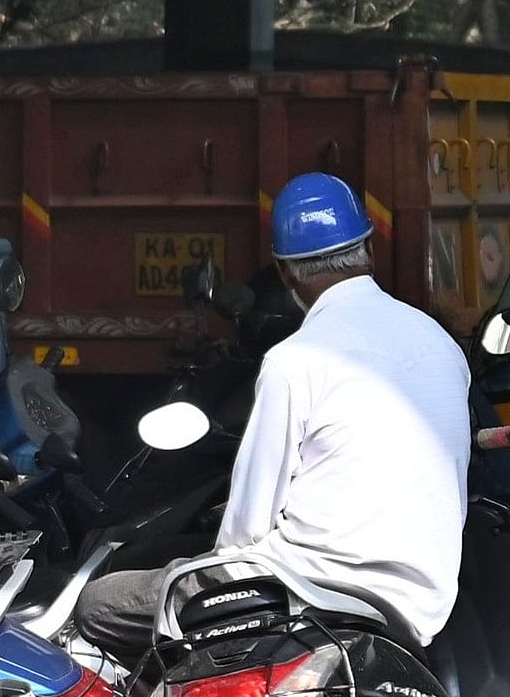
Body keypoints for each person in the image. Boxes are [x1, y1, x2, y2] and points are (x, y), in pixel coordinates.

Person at [79, 172, 472, 657]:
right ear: (369, 248)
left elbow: (246, 530)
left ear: (287, 275)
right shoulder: (441, 343)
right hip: (420, 607)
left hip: (307, 590)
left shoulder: (297, 359)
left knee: (99, 603)